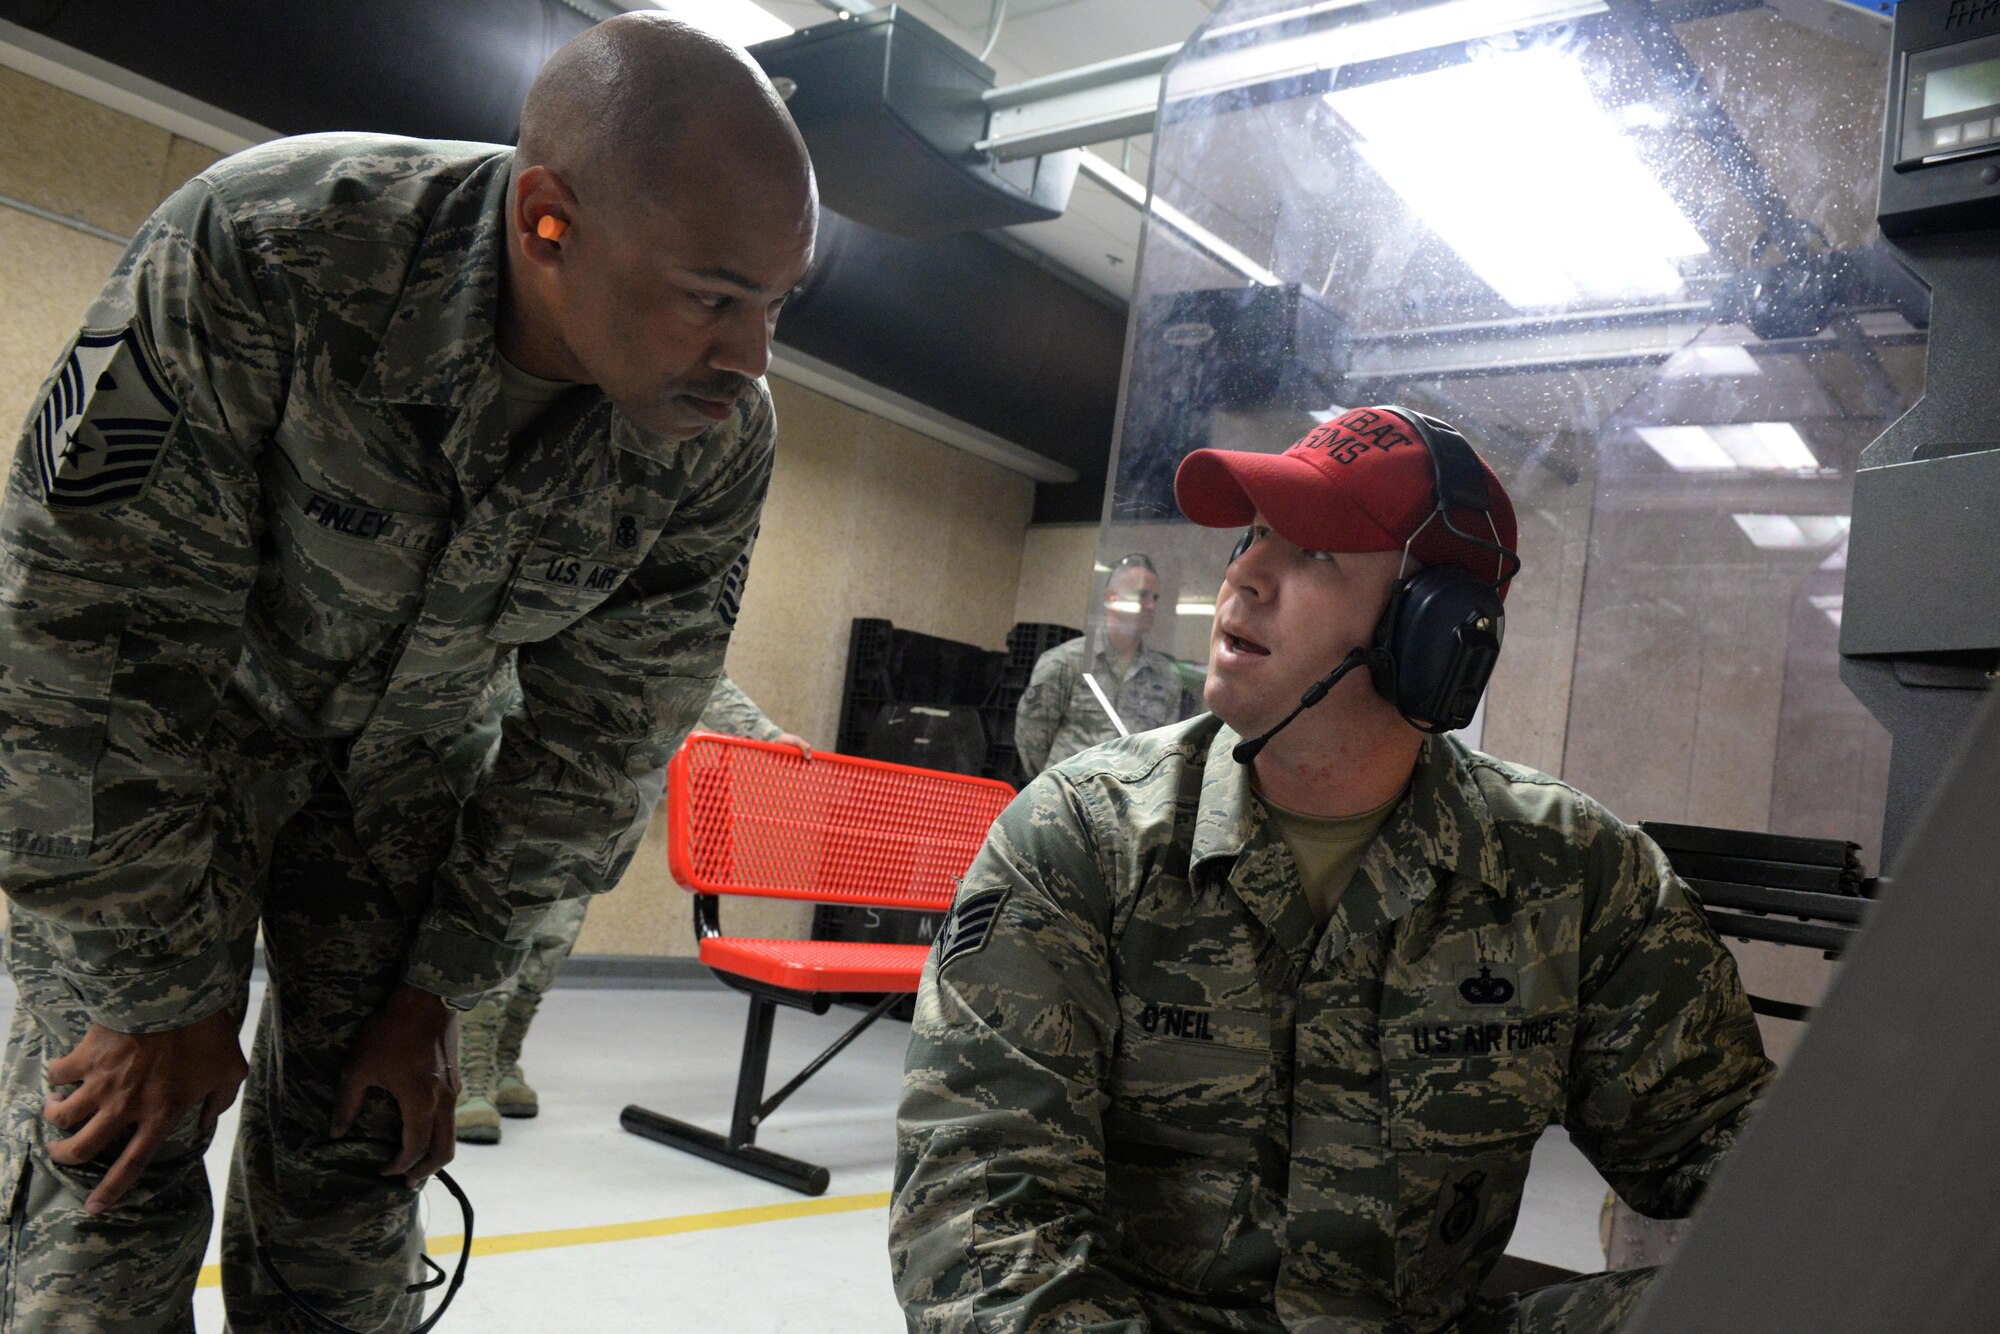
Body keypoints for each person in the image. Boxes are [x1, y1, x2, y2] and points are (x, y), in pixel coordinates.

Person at [0, 13, 815, 1329]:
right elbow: (64, 628)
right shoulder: (262, 247)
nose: (752, 356)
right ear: (549, 223)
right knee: (112, 1175)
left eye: (780, 303)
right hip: (162, 770)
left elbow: (599, 741)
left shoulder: (711, 440)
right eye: (716, 297)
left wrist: (440, 988)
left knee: (358, 1168)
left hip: (401, 789)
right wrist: (155, 992)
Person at [890, 406, 1773, 1333]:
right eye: (1258, 536)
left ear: (1434, 632)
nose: (1245, 576)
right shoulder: (1081, 835)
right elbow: (977, 1218)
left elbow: (1739, 1153)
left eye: (1314, 553)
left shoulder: (1577, 874)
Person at [454, 674, 810, 1143]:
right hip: (518, 772)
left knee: (552, 943)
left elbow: (700, 673)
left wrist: (763, 732)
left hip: (594, 793)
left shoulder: (670, 605)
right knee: (501, 928)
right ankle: (470, 1077)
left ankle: (504, 1062)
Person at [1013, 553, 1202, 776]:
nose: (1151, 606)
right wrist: (1052, 789)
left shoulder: (1165, 675)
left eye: (1155, 598)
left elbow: (1161, 751)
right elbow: (1031, 737)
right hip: (1065, 798)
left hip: (1129, 802)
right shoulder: (1065, 661)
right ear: (1112, 597)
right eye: (1142, 595)